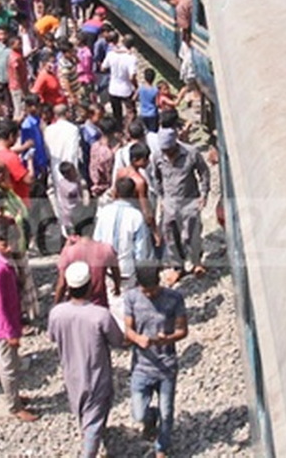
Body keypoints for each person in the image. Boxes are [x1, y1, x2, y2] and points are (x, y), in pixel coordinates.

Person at [49, 262, 126, 458]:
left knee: (82, 411)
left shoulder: (57, 313)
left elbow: (52, 337)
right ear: (90, 285)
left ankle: (91, 436)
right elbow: (118, 340)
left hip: (71, 373)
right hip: (96, 375)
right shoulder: (100, 315)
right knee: (94, 415)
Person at [124, 263, 187, 458]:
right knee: (138, 413)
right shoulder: (131, 298)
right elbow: (128, 329)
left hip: (166, 365)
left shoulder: (174, 299)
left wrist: (166, 339)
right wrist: (138, 339)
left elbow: (182, 330)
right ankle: (149, 419)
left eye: (152, 290)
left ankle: (162, 448)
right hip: (142, 366)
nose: (149, 295)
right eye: (145, 291)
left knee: (166, 412)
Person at [0, 219, 38, 422]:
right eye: (5, 244)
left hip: (10, 319)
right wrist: (10, 333)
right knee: (8, 365)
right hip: (4, 325)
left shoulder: (1, 260)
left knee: (11, 363)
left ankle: (13, 395)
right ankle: (14, 406)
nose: (9, 247)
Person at [150, 129, 209, 279]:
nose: (167, 153)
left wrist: (203, 194)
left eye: (169, 149)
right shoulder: (157, 156)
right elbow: (156, 178)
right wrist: (161, 197)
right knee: (170, 234)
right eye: (164, 150)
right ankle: (177, 266)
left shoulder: (191, 153)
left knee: (193, 233)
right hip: (169, 202)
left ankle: (196, 262)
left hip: (189, 200)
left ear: (175, 144)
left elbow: (204, 172)